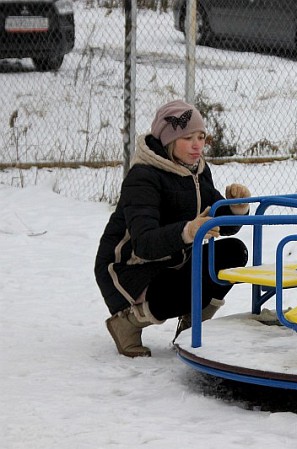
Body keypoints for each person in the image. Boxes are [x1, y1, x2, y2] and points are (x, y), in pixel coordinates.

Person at [95, 99, 251, 358]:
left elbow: (216, 223)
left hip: (174, 261)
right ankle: (127, 322)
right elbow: (144, 243)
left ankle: (191, 327)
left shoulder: (197, 171)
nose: (197, 144)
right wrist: (189, 231)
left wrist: (236, 209)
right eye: (188, 137)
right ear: (168, 140)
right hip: (129, 269)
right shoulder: (143, 176)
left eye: (201, 136)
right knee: (185, 287)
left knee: (233, 254)